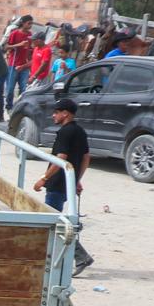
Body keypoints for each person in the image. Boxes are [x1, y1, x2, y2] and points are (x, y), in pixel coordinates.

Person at [32, 97, 94, 275]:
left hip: (57, 183)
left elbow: (61, 158)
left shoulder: (65, 132)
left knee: (53, 222)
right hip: (67, 182)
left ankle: (80, 256)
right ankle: (60, 257)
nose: (53, 115)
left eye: (56, 112)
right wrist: (76, 179)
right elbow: (86, 158)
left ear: (65, 114)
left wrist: (44, 178)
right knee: (55, 220)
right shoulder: (80, 131)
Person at [5, 16, 35, 103]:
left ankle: (20, 105)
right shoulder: (14, 33)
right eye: (29, 23)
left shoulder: (30, 35)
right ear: (23, 23)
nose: (30, 25)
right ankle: (9, 106)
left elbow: (31, 50)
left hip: (24, 65)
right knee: (10, 89)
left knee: (23, 88)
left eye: (31, 23)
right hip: (13, 64)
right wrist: (19, 45)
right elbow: (6, 47)